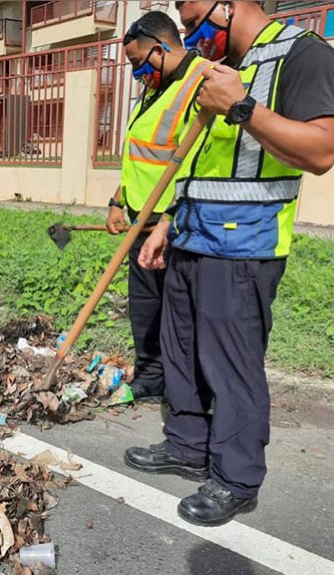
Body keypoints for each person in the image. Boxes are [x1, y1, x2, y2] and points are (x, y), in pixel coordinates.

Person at [124, 0, 334, 526]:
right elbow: (199, 160)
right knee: (181, 350)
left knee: (230, 364)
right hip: (191, 233)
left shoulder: (303, 54)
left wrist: (241, 105)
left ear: (230, 5)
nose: (190, 34)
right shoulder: (223, 68)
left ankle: (236, 477)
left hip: (245, 243)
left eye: (194, 20)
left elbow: (321, 152)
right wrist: (167, 222)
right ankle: (187, 444)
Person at [107, 11, 208, 403]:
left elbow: (199, 163)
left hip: (179, 222)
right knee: (145, 305)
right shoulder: (153, 88)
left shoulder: (200, 84)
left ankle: (186, 389)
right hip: (141, 218)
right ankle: (150, 377)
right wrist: (118, 201)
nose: (137, 73)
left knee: (181, 309)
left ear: (161, 48)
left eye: (138, 63)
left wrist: (168, 220)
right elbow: (139, 153)